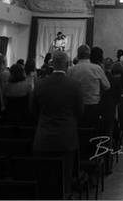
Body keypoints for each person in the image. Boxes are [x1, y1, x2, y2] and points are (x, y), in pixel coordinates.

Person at [31, 50, 83, 196]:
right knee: (64, 181)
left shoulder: (40, 84)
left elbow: (33, 111)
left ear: (52, 64)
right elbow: (80, 111)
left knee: (44, 181)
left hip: (44, 138)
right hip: (66, 138)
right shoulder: (74, 85)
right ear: (67, 65)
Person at [67, 44, 109, 128]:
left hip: (76, 106)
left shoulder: (71, 70)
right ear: (89, 55)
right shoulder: (97, 68)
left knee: (78, 130)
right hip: (93, 105)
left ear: (78, 55)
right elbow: (107, 86)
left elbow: (67, 87)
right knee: (91, 131)